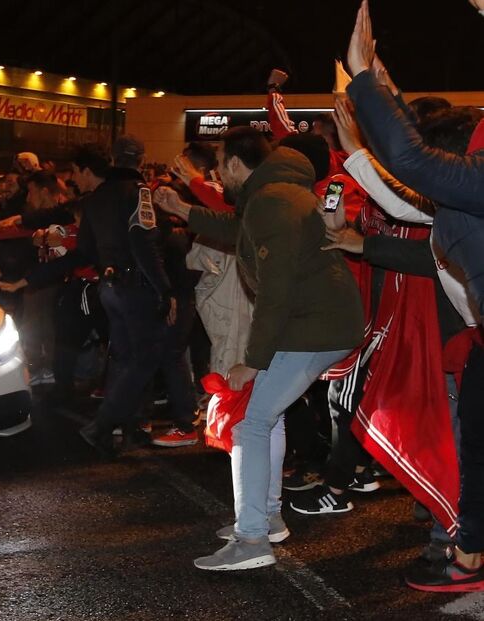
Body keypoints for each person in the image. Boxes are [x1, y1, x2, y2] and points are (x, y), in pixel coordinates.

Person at [160, 126, 363, 571]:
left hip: (313, 327)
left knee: (250, 427)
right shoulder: (273, 191)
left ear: (236, 163)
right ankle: (266, 519)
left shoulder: (272, 198)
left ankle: (252, 538)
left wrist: (253, 361)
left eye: (219, 163)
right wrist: (186, 210)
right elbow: (239, 230)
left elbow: (276, 291)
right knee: (263, 422)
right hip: (316, 324)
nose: (216, 172)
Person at [345, 0, 484, 591]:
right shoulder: (467, 190)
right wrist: (380, 89)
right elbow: (416, 174)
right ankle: (472, 551)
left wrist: (362, 78)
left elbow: (411, 163)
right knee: (476, 444)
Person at [70, 137, 177, 457]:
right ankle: (101, 426)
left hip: (109, 287)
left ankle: (127, 425)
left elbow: (85, 249)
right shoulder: (139, 192)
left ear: (114, 159)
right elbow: (143, 243)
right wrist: (165, 290)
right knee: (144, 360)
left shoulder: (95, 198)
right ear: (142, 160)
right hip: (137, 288)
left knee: (125, 359)